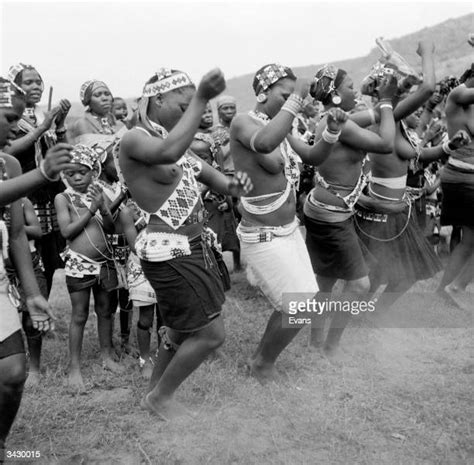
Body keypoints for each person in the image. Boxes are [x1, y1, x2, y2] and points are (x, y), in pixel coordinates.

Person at [119, 67, 252, 420]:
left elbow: (222, 182)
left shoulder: (176, 145)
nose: (189, 113)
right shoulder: (134, 139)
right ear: (158, 99)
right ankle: (162, 398)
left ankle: (154, 393)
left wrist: (244, 181)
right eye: (183, 105)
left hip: (194, 245)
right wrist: (203, 97)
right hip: (170, 249)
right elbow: (166, 151)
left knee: (180, 330)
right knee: (211, 335)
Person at [230, 63, 349, 378]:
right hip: (262, 235)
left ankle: (261, 360)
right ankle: (261, 364)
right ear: (262, 92)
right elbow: (265, 144)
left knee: (300, 302)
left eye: (292, 95)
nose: (291, 101)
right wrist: (296, 99)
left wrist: (332, 129)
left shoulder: (283, 125)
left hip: (289, 231)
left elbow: (313, 157)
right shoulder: (243, 122)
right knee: (301, 304)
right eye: (284, 94)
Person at [355, 41, 469, 311]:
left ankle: (373, 314)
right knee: (377, 275)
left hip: (396, 211)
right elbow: (428, 88)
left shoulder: (393, 120)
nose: (408, 94)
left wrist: (445, 148)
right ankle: (357, 313)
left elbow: (413, 156)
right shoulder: (389, 115)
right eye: (401, 88)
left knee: (402, 274)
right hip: (381, 211)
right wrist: (428, 52)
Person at [0, 76, 73, 464]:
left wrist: (32, 294)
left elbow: (15, 235)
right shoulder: (22, 171)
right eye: (10, 117)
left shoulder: (9, 163)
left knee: (12, 374)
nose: (16, 125)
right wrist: (41, 174)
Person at [304, 64, 398, 359]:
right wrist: (384, 102)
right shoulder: (341, 125)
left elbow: (383, 116)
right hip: (332, 215)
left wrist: (388, 100)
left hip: (324, 209)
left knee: (326, 279)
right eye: (350, 87)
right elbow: (385, 143)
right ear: (334, 94)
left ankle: (317, 339)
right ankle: (330, 345)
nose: (356, 90)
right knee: (359, 286)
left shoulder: (335, 119)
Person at [55, 144, 123, 390]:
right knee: (80, 314)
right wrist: (90, 210)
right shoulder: (63, 198)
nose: (75, 177)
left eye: (81, 172)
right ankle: (74, 366)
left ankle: (106, 355)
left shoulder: (99, 191)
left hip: (105, 263)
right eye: (70, 173)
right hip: (79, 264)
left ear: (93, 171)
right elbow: (67, 232)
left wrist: (104, 210)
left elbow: (110, 228)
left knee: (106, 310)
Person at [5, 63, 71, 293]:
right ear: (15, 87)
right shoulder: (10, 118)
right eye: (28, 82)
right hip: (22, 193)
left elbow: (63, 154)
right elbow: (6, 153)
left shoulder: (43, 114)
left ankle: (39, 309)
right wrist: (41, 128)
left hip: (49, 195)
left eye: (37, 81)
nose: (35, 86)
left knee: (50, 259)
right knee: (26, 252)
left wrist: (59, 125)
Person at [437, 64, 474, 303]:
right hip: (462, 178)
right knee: (466, 239)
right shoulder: (458, 94)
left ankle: (446, 290)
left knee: (468, 240)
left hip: (466, 178)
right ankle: (455, 287)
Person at [191, 104, 240, 271]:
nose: (207, 115)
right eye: (201, 112)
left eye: (208, 112)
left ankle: (227, 266)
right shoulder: (192, 141)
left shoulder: (213, 138)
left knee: (225, 230)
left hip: (216, 191)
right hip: (202, 194)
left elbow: (220, 168)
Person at [5, 197, 48, 387]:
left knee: (32, 321)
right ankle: (9, 365)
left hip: (29, 266)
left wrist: (14, 227)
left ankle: (34, 369)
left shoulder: (22, 201)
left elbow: (38, 230)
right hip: (3, 270)